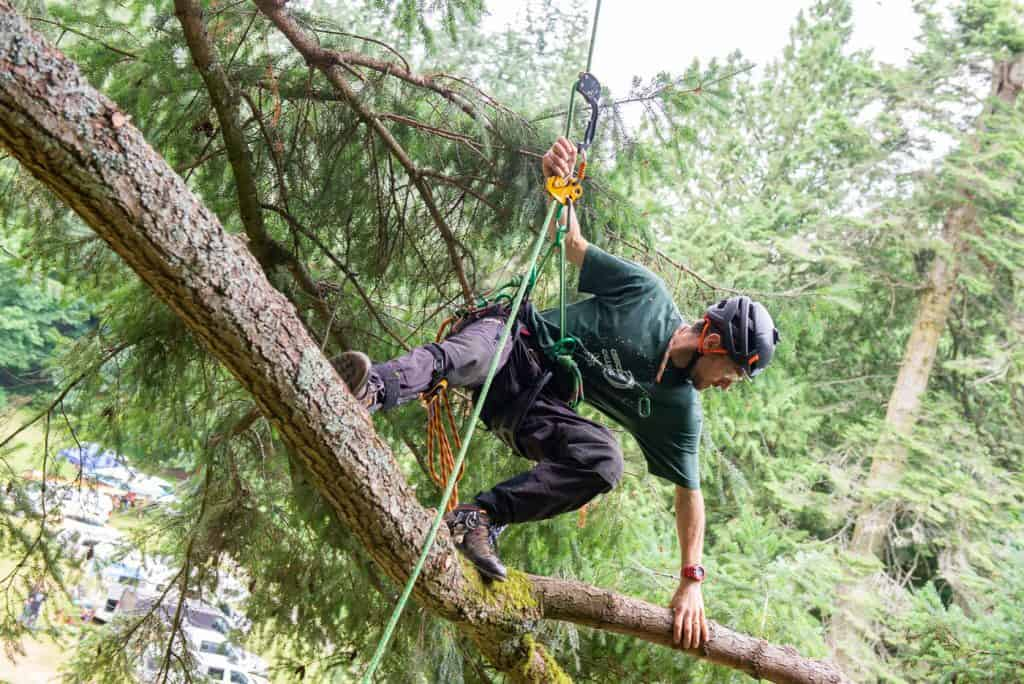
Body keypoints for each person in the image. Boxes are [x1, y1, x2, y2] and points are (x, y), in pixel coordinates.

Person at [333, 137, 780, 650]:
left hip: (535, 404)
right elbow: (573, 246)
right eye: (734, 372)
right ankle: (370, 390)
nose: (726, 385)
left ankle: (479, 517)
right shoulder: (647, 297)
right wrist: (559, 183)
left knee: (604, 461)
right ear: (715, 340)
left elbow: (689, 495)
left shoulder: (679, 408)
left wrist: (691, 580)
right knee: (471, 352)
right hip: (517, 342)